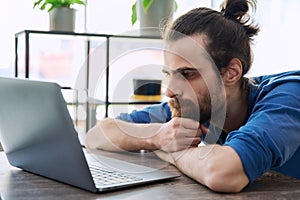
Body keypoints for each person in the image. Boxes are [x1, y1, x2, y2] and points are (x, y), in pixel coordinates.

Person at [85, 0, 300, 193]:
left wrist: (168, 151)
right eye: (169, 74)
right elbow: (97, 135)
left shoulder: (288, 94)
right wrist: (158, 136)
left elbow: (224, 173)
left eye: (187, 74)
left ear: (231, 72)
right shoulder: (195, 104)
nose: (170, 91)